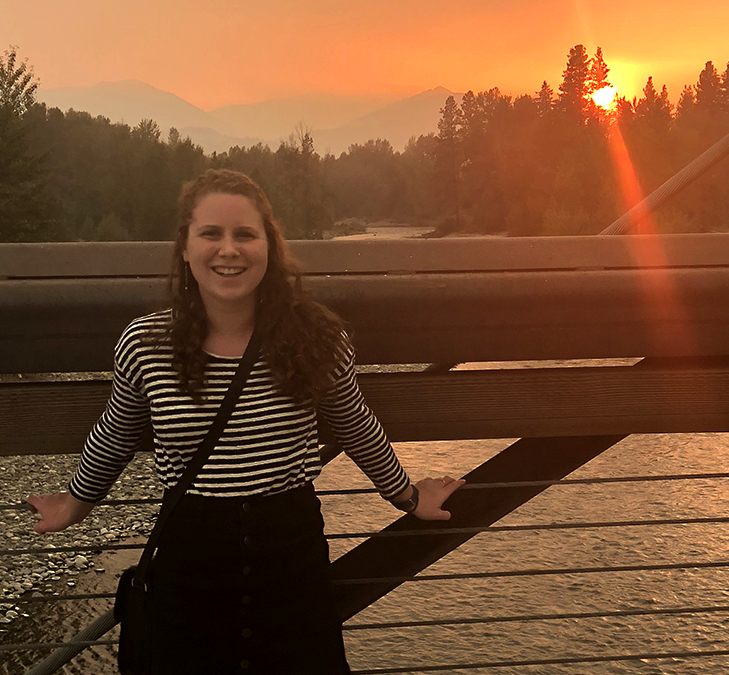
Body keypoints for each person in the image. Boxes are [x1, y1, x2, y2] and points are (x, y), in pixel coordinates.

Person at [27, 168, 464, 674]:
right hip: (189, 561)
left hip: (290, 557)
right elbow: (117, 432)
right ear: (185, 249)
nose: (228, 249)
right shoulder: (147, 345)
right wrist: (75, 503)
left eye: (244, 235)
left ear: (270, 248)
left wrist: (408, 496)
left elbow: (355, 424)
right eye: (210, 234)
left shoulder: (316, 337)